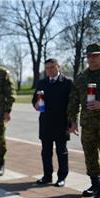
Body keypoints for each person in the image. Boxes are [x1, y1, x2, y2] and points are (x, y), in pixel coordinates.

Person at [31, 58, 72, 187]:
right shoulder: (42, 83)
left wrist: (71, 123)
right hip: (46, 122)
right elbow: (34, 100)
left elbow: (72, 104)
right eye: (47, 68)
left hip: (61, 123)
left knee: (61, 151)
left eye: (52, 67)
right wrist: (36, 104)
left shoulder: (67, 83)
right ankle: (47, 176)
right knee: (46, 152)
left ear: (58, 67)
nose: (49, 70)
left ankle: (62, 177)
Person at [68, 43, 100, 198]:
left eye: (95, 55)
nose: (92, 59)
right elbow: (73, 102)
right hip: (88, 125)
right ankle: (95, 185)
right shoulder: (81, 78)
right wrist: (72, 121)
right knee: (90, 155)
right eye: (89, 56)